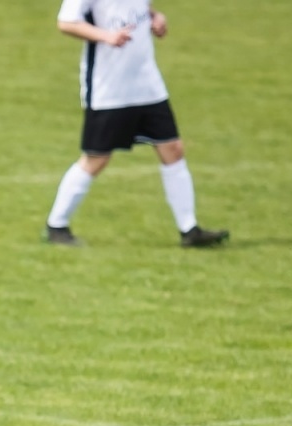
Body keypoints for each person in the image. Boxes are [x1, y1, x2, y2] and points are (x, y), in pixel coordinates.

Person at [42, 0, 227, 248]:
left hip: (147, 85)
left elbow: (136, 8)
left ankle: (189, 229)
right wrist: (106, 36)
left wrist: (154, 17)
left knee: (172, 149)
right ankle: (56, 226)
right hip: (109, 89)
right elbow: (66, 22)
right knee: (96, 158)